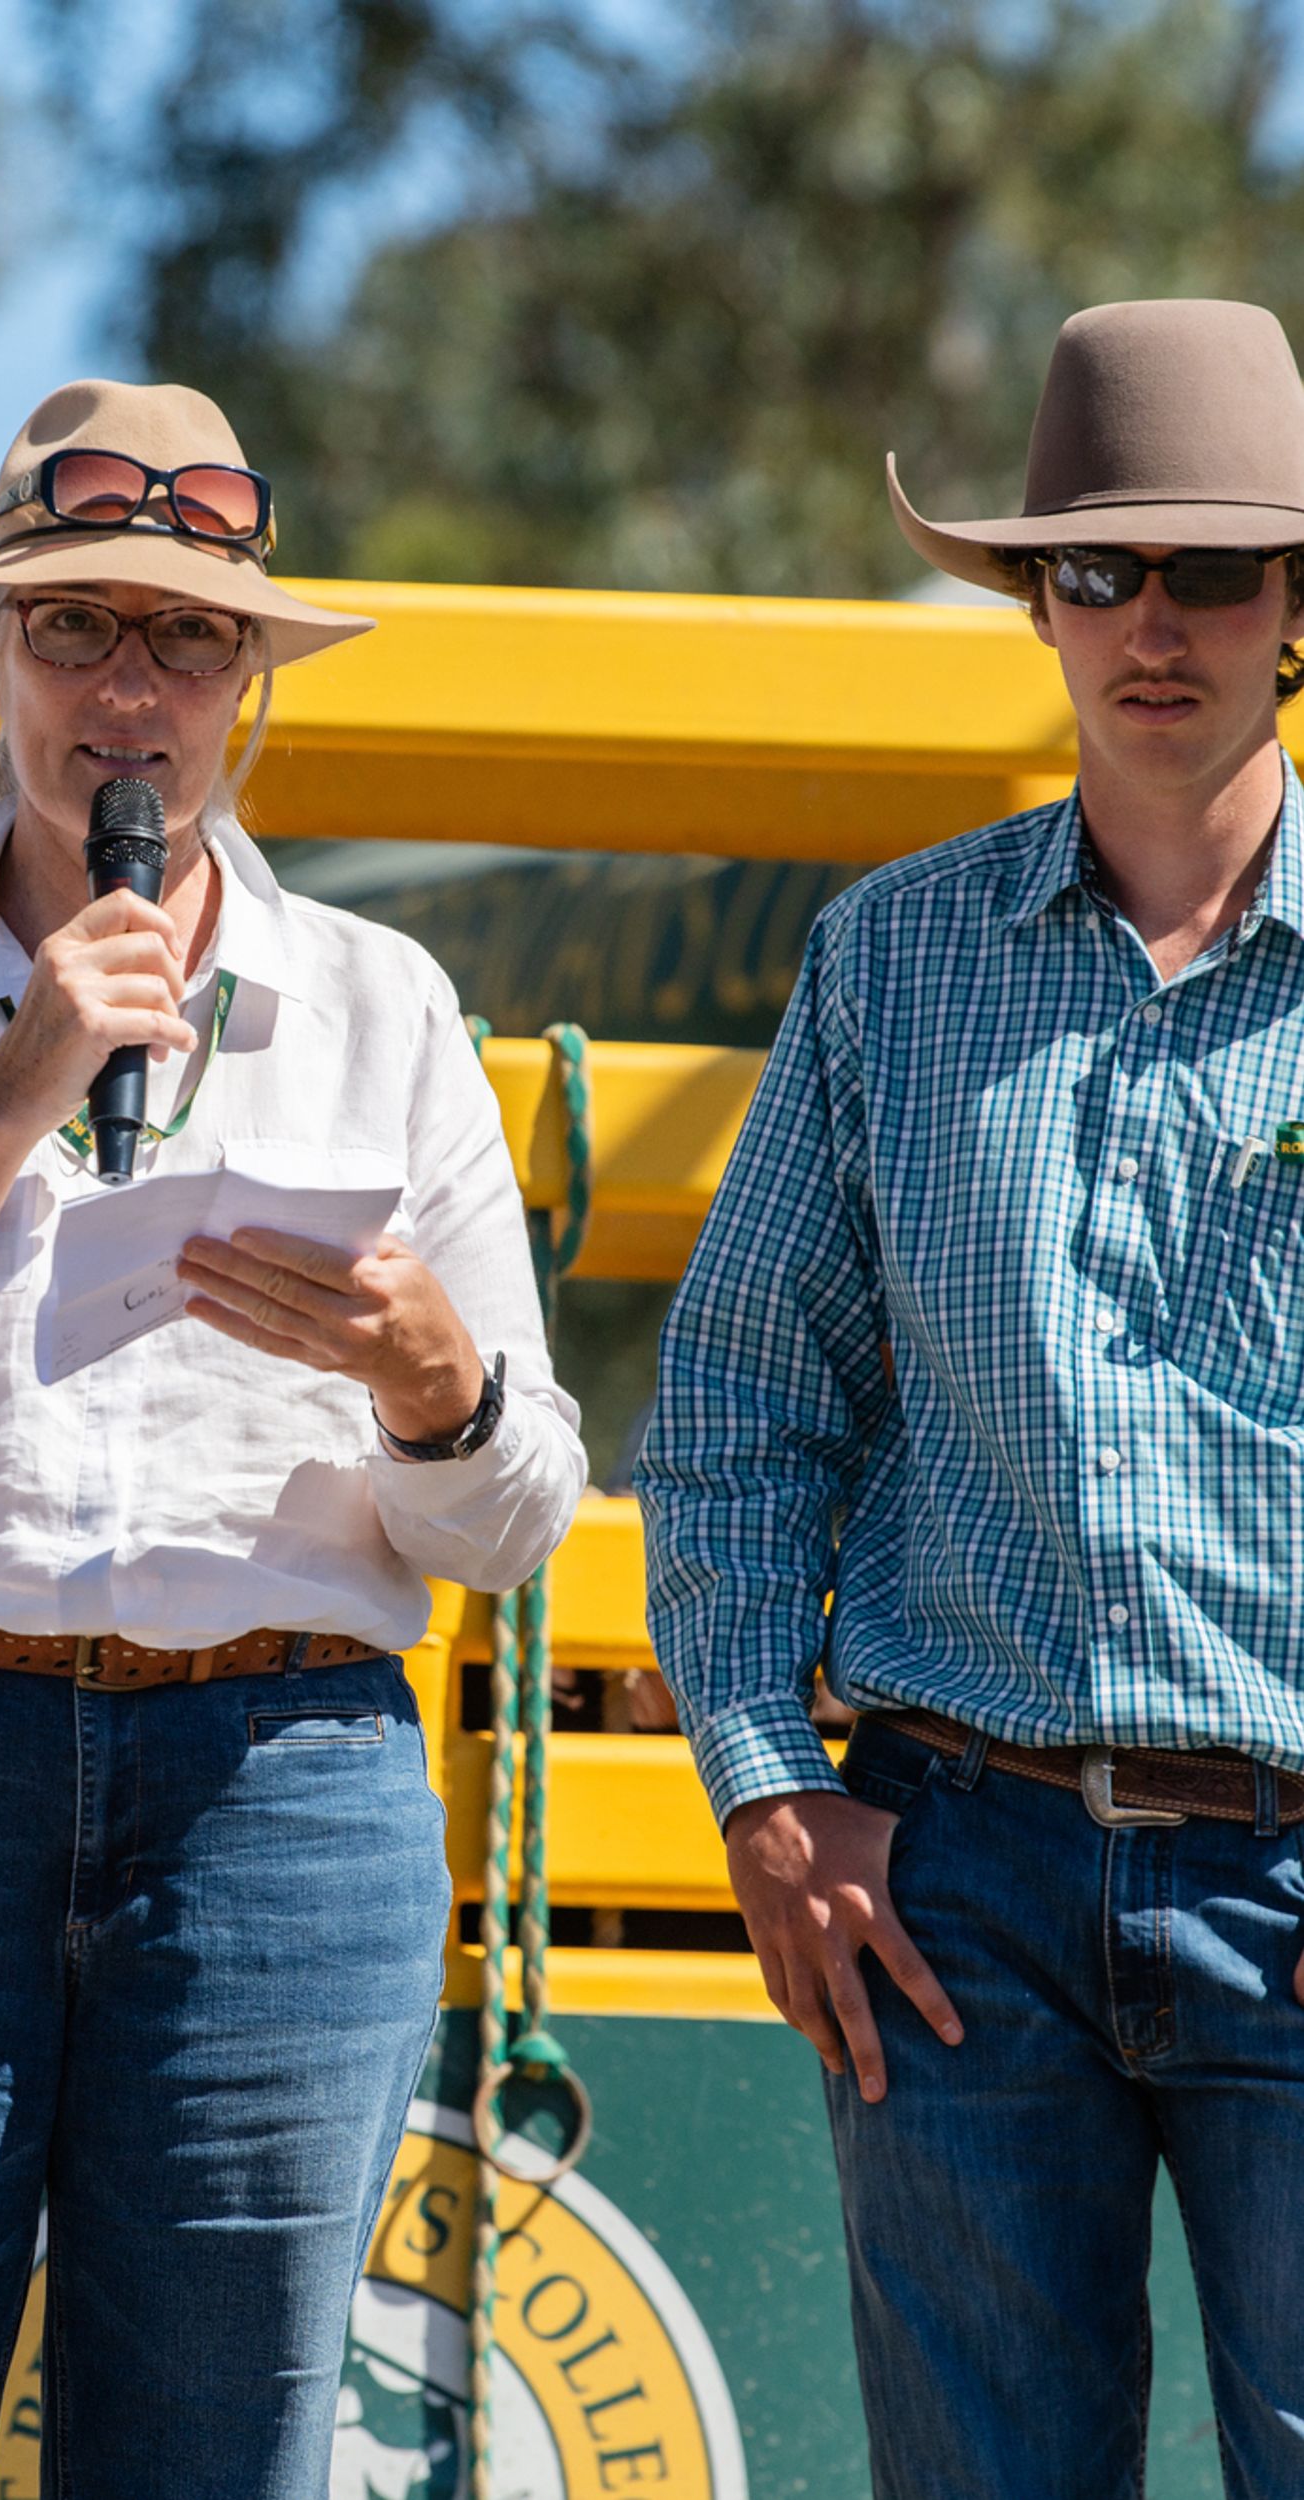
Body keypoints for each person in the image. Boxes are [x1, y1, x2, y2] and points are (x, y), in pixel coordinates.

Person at [0, 377, 584, 2498]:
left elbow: (510, 1519)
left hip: (274, 1801)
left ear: (251, 688)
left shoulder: (383, 1008)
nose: (128, 690)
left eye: (186, 637)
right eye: (73, 627)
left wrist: (434, 1383)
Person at [638, 297, 1304, 2499]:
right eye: (1097, 567)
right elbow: (740, 1402)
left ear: (1294, 605)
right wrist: (763, 1784)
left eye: (1213, 569)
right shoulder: (885, 956)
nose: (1152, 623)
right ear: (1035, 599)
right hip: (953, 1885)